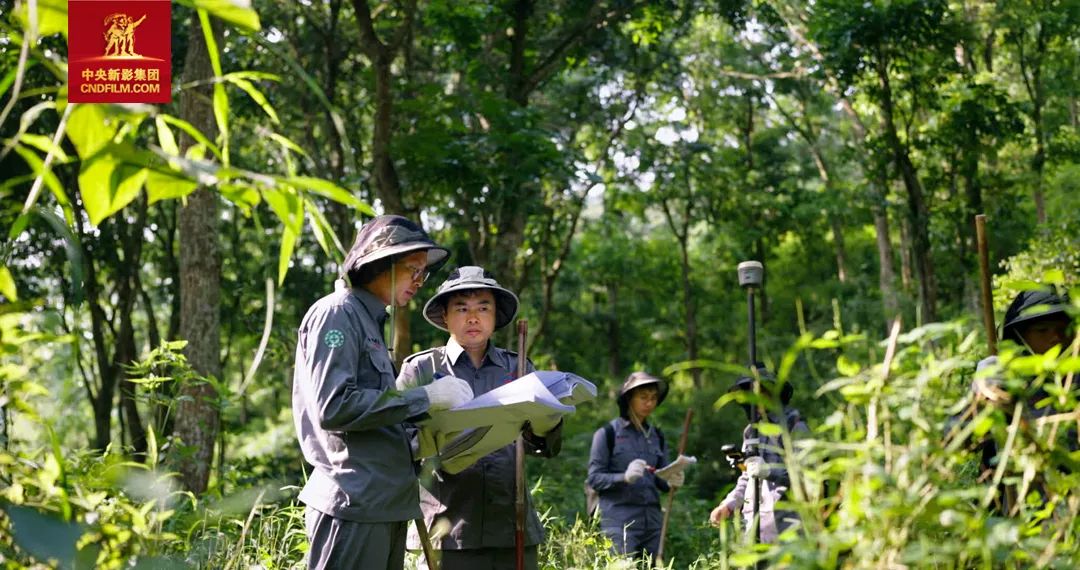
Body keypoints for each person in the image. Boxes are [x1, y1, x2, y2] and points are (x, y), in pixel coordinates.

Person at [292, 215, 475, 570]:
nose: (420, 281)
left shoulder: (370, 321)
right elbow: (334, 407)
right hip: (354, 503)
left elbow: (378, 414)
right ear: (380, 262)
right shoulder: (337, 314)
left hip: (384, 502)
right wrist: (426, 397)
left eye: (424, 273)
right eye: (412, 270)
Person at [396, 266, 562, 570]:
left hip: (513, 529)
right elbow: (394, 443)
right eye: (462, 308)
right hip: (446, 531)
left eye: (483, 308)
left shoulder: (519, 368)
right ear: (445, 316)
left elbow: (544, 445)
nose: (473, 317)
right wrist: (431, 441)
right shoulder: (420, 370)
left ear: (495, 316)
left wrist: (547, 426)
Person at [586, 372, 689, 561]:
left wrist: (673, 479)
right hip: (619, 522)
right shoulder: (607, 434)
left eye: (653, 398)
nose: (649, 403)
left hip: (652, 522)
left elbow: (661, 479)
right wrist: (624, 477)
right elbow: (594, 478)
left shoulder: (657, 435)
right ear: (628, 399)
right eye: (643, 398)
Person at [709, 367, 808, 543]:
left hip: (788, 528)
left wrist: (769, 471)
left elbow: (805, 476)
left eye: (762, 391)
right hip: (754, 527)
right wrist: (729, 504)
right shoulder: (751, 433)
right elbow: (747, 477)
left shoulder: (795, 427)